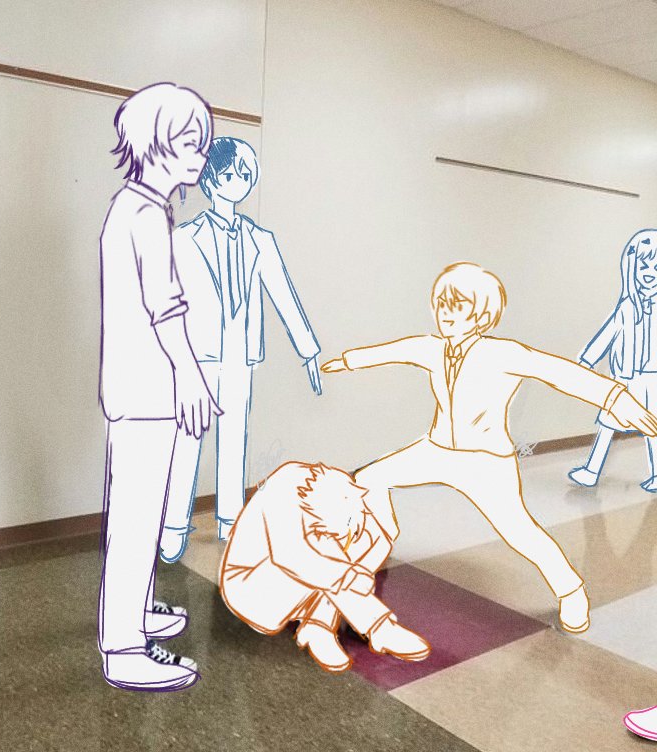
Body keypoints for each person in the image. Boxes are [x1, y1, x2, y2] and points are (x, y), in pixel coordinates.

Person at [322, 262, 657, 633]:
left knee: (519, 531)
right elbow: (393, 351)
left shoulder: (503, 354)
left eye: (457, 306)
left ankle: (571, 590)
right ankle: (378, 544)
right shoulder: (432, 348)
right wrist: (348, 361)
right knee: (367, 480)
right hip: (436, 451)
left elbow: (559, 372)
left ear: (481, 315)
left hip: (485, 463)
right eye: (441, 304)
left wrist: (615, 397)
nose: (445, 313)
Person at [97, 82, 221, 691]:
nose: (200, 155)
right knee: (136, 518)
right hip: (147, 392)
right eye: (190, 142)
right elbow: (164, 308)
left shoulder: (139, 207)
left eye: (202, 143)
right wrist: (191, 377)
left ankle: (138, 612)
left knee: (138, 513)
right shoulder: (144, 215)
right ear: (155, 144)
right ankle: (123, 648)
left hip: (140, 388)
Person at [160, 137, 321, 561]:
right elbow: (166, 301)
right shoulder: (183, 238)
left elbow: (283, 294)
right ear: (211, 180)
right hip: (198, 355)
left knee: (235, 440)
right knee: (188, 438)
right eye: (230, 174)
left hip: (240, 355)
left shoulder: (260, 240)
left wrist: (307, 349)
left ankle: (230, 521)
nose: (238, 182)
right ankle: (174, 523)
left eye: (245, 175)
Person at [219, 461, 430, 672]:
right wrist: (350, 576)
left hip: (302, 587)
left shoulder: (339, 489)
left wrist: (359, 563)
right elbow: (290, 557)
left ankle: (319, 628)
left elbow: (358, 544)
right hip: (252, 590)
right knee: (327, 568)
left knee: (344, 555)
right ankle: (379, 628)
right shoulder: (282, 489)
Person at [569, 229, 657, 490]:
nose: (650, 272)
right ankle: (591, 471)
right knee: (608, 424)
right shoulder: (627, 308)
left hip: (653, 380)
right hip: (625, 379)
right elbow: (606, 335)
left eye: (656, 266)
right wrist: (586, 362)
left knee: (652, 428)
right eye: (644, 265)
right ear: (631, 268)